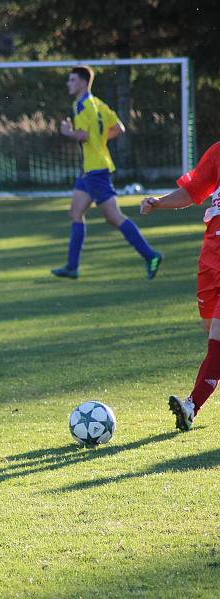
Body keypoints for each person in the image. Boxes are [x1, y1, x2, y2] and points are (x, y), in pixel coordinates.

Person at [51, 65, 162, 280]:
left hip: (95, 170)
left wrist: (67, 132)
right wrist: (100, 141)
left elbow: (82, 135)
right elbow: (119, 127)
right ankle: (72, 267)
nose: (69, 83)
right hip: (90, 169)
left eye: (72, 80)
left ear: (83, 82)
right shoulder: (98, 103)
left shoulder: (81, 105)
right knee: (75, 213)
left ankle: (151, 256)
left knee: (113, 216)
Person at [140, 141, 220, 431]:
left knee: (218, 339)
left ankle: (191, 406)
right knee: (210, 330)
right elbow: (195, 189)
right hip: (211, 255)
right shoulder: (218, 152)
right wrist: (159, 202)